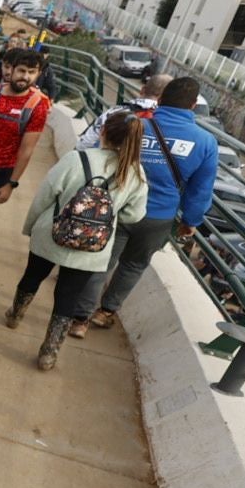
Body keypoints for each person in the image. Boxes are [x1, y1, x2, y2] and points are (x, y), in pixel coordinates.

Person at [7, 111, 149, 369]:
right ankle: (49, 352)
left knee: (32, 276)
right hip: (92, 248)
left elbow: (45, 196)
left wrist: (31, 227)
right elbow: (135, 214)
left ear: (103, 132)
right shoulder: (136, 173)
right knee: (68, 297)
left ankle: (15, 314)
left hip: (52, 235)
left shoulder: (76, 158)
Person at [87, 78, 218, 332]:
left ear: (158, 100)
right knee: (134, 265)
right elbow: (200, 190)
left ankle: (80, 314)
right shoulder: (205, 142)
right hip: (159, 216)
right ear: (192, 106)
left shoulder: (133, 125)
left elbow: (98, 155)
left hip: (120, 206)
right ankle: (105, 311)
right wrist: (191, 222)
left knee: (103, 259)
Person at [0, 49, 51, 233]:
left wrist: (10, 184)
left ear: (38, 74)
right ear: (11, 70)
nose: (25, 77)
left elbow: (27, 150)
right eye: (21, 70)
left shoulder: (38, 105)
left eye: (32, 72)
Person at [77, 72, 170, 151]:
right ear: (163, 99)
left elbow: (85, 143)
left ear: (142, 90)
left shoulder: (115, 111)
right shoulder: (163, 121)